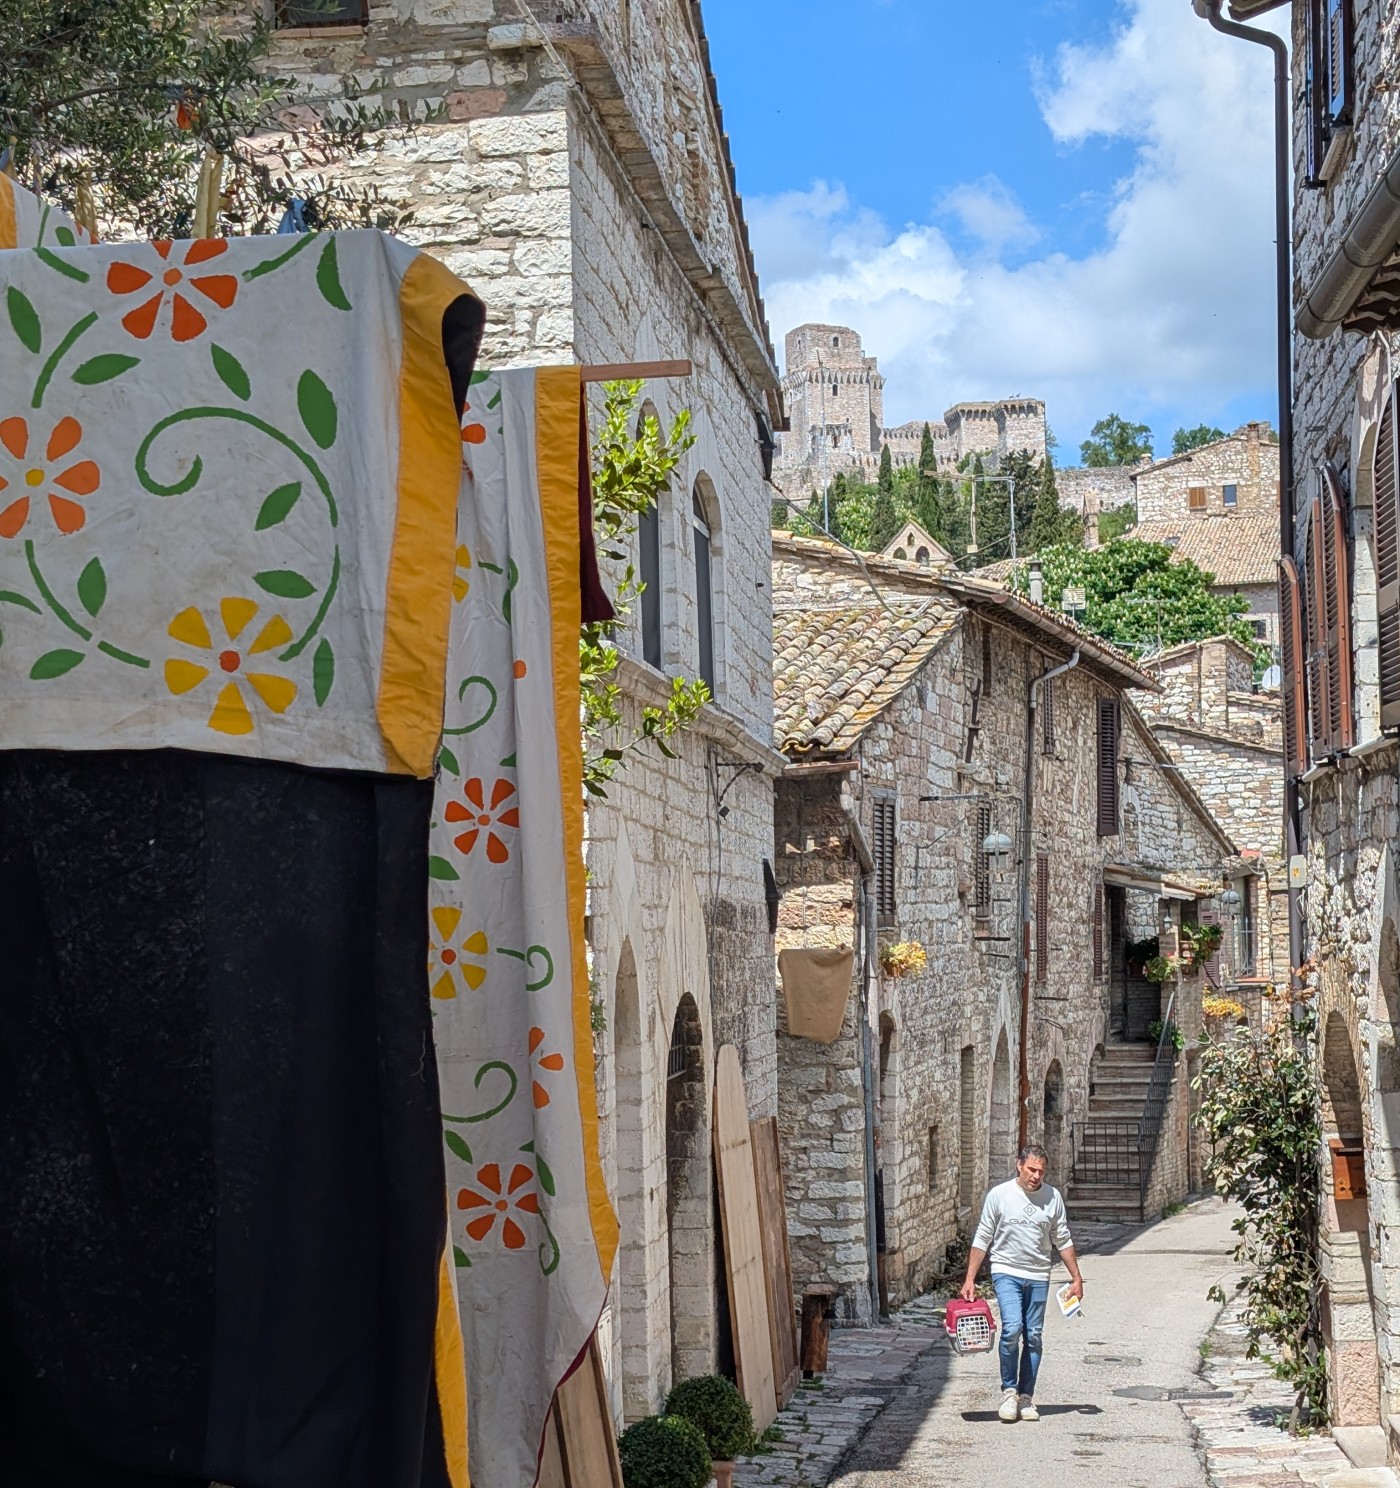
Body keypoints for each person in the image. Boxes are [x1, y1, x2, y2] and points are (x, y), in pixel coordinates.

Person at [959, 1142, 1085, 1423]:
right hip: (1006, 1271)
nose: (1036, 1176)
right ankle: (1009, 1391)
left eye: (1041, 1171)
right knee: (1012, 1328)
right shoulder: (1000, 1195)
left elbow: (1062, 1240)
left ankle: (1026, 1397)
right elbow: (983, 1237)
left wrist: (1076, 1278)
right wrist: (969, 1278)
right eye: (1031, 1169)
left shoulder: (1052, 1198)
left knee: (1035, 1336)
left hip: (1039, 1274)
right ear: (1019, 1164)